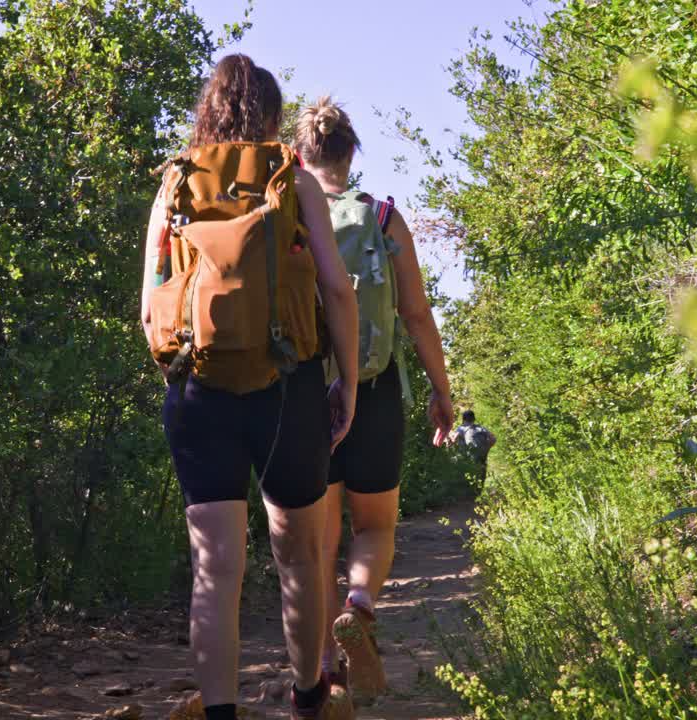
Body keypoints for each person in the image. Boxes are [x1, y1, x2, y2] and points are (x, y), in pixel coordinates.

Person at [140, 56, 360, 720]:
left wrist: (184, 375)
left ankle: (219, 712)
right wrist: (346, 380)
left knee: (216, 570)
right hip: (289, 388)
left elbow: (150, 309)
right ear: (270, 113)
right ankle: (307, 700)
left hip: (199, 392)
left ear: (208, 109)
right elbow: (338, 292)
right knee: (298, 557)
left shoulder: (175, 182)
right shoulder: (295, 181)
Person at [292, 97, 456, 704]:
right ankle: (358, 608)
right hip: (377, 388)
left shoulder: (287, 217)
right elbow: (415, 313)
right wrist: (442, 390)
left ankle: (327, 673)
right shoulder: (384, 218)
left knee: (319, 538)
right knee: (375, 526)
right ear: (351, 152)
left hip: (307, 389)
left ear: (301, 155)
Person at [451, 410, 496, 480]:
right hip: (482, 459)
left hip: (467, 460)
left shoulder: (461, 428)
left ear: (463, 419)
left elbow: (454, 439)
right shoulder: (480, 428)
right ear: (474, 419)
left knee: (467, 480)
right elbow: (493, 439)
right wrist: (487, 448)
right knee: (480, 479)